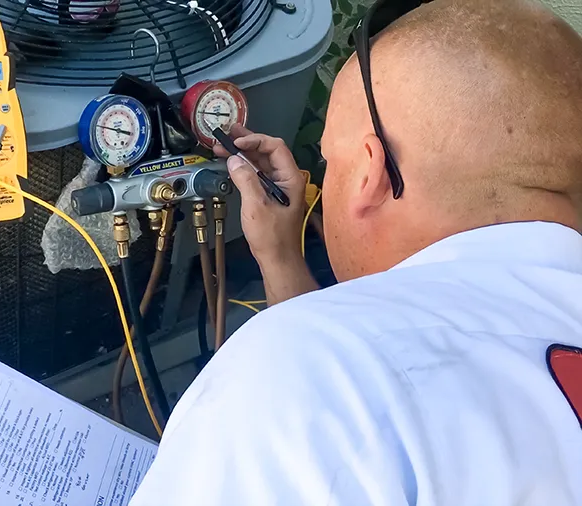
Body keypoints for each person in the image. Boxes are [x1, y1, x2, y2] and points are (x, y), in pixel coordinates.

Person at [129, 0, 582, 504]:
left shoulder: (302, 386)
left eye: (327, 161)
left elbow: (329, 379)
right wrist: (281, 260)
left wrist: (292, 345)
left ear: (371, 174)